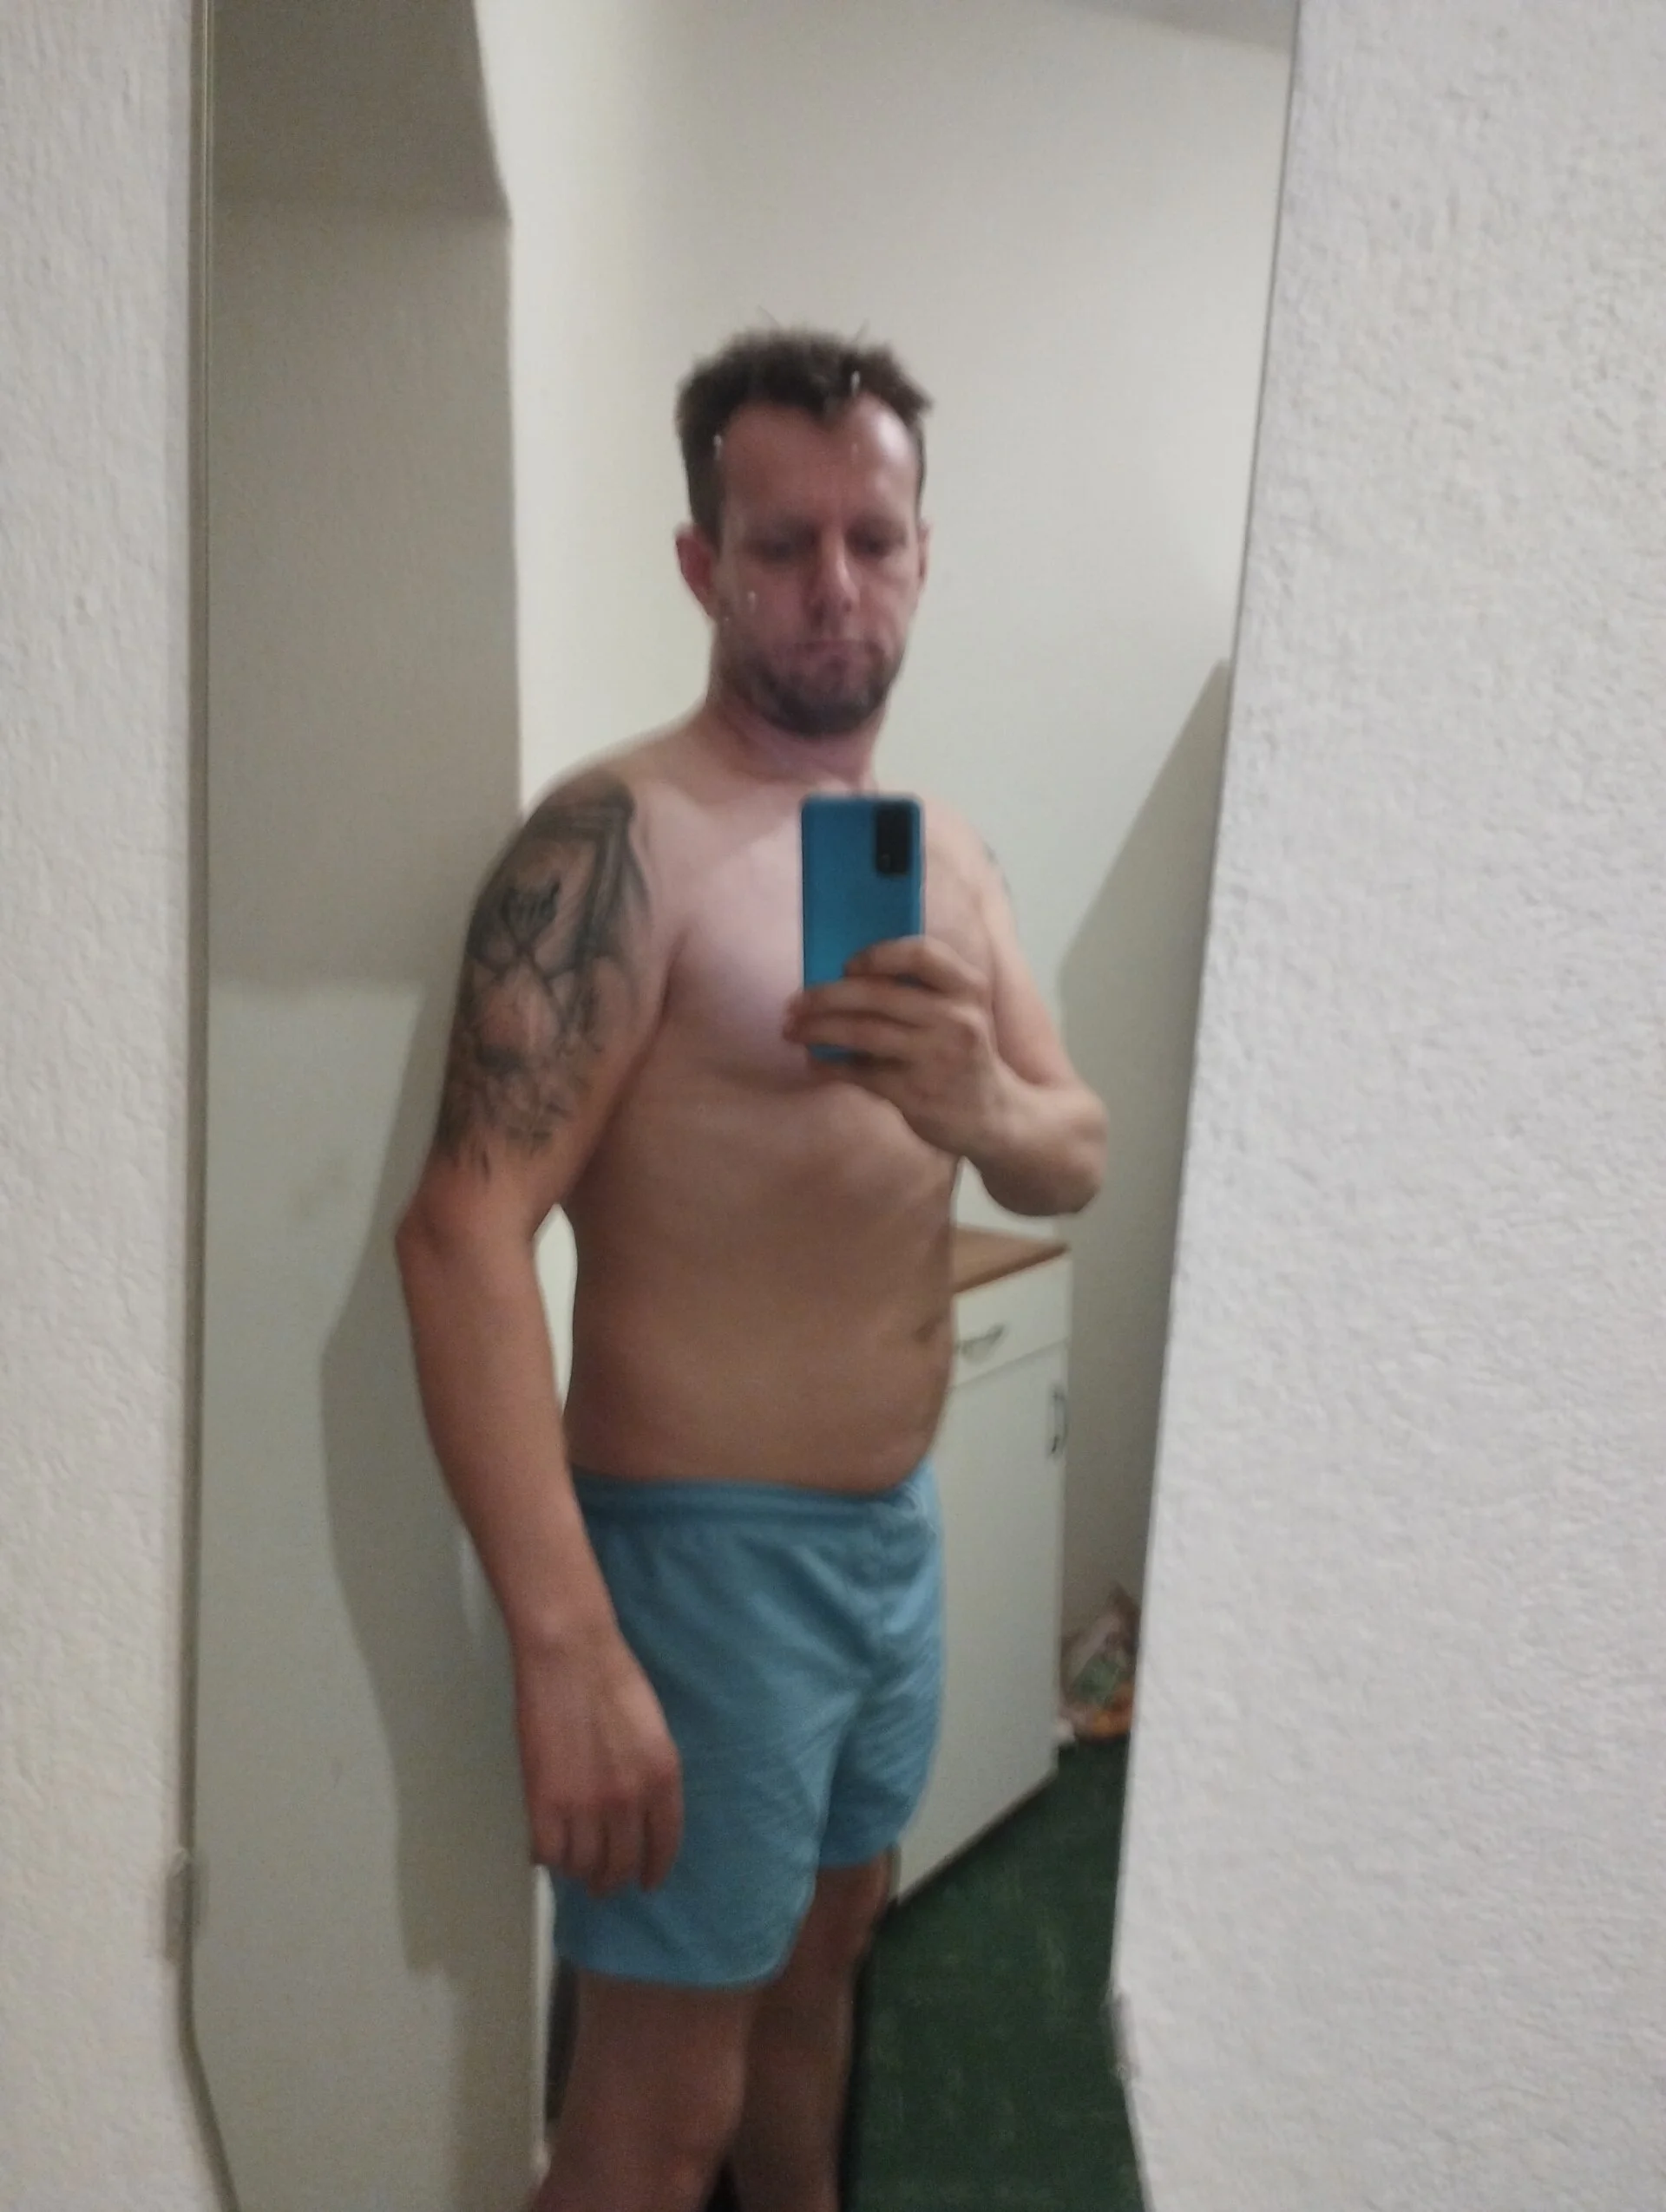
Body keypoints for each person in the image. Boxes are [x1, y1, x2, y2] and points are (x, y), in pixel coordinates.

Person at [395, 327, 1107, 2212]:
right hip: (700, 1563)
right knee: (658, 2107)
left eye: (873, 539)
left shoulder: (941, 854)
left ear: (924, 556)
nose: (833, 586)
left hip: (891, 1538)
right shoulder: (618, 842)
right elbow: (460, 1234)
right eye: (782, 545)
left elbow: (1075, 1148)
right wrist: (566, 1643)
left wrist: (977, 1100)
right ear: (703, 565)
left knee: (824, 1973)